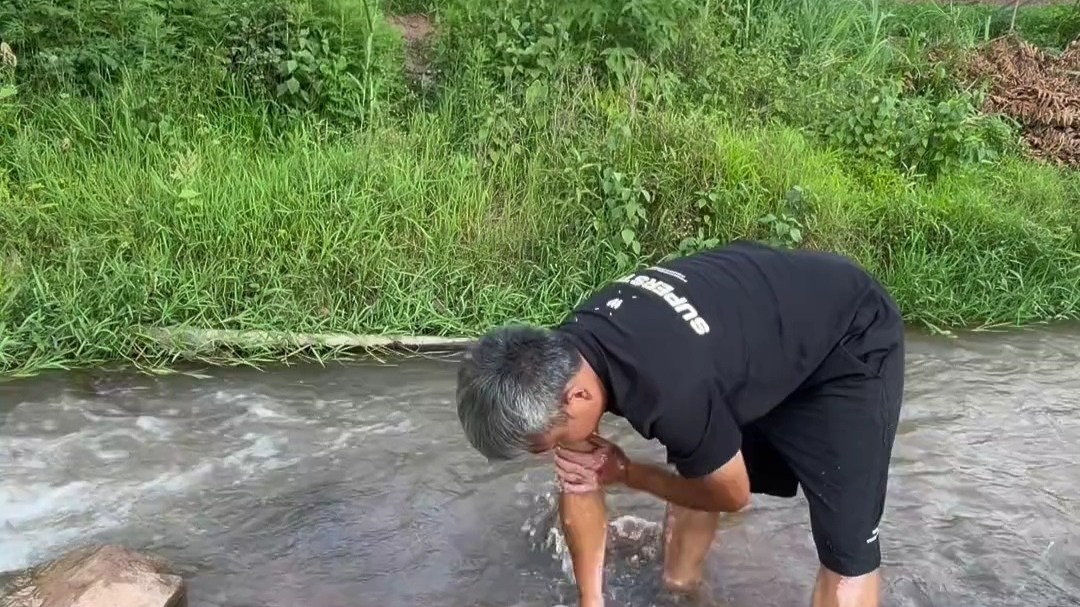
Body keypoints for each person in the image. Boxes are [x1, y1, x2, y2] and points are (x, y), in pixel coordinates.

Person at [454, 240, 905, 607]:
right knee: (697, 462)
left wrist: (629, 473)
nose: (546, 453)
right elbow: (580, 477)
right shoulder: (558, 361)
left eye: (540, 446)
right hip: (749, 334)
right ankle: (681, 591)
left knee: (847, 554)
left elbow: (731, 495)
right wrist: (591, 600)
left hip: (847, 338)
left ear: (578, 397)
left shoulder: (669, 389)